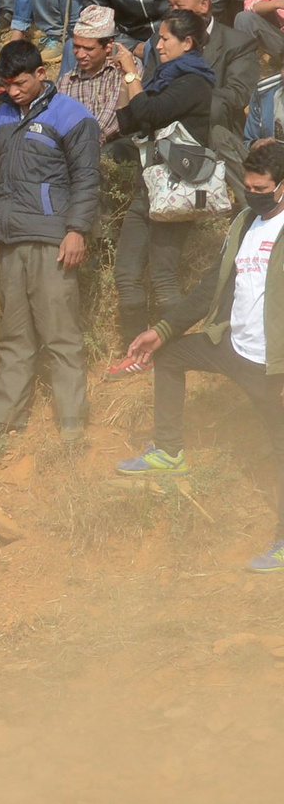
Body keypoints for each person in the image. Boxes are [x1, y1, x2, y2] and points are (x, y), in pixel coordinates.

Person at [114, 139, 284, 572]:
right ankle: (169, 452)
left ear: (281, 187)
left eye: (260, 187)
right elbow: (213, 284)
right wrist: (162, 329)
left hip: (273, 365)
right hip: (233, 346)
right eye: (246, 184)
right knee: (169, 357)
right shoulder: (246, 222)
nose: (251, 192)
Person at [0, 37, 99, 440]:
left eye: (21, 83)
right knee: (12, 336)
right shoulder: (1, 115)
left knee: (61, 334)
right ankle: (5, 417)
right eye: (7, 84)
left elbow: (86, 177)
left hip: (53, 239)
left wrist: (77, 230)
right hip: (10, 240)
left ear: (41, 73)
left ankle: (71, 420)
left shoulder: (72, 115)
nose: (14, 91)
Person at [110, 10, 214, 347]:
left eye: (165, 38)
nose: (158, 44)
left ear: (187, 42)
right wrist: (129, 79)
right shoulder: (163, 76)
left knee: (163, 276)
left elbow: (151, 112)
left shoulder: (194, 81)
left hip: (176, 189)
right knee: (126, 272)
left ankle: (170, 354)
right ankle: (133, 350)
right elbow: (128, 122)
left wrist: (131, 74)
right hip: (148, 188)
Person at [151, 0, 259, 146]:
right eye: (171, 7)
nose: (174, 13)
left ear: (204, 5)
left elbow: (238, 93)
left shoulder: (237, 43)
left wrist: (190, 99)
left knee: (215, 106)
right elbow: (149, 83)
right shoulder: (159, 41)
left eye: (180, 6)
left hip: (213, 128)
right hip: (166, 120)